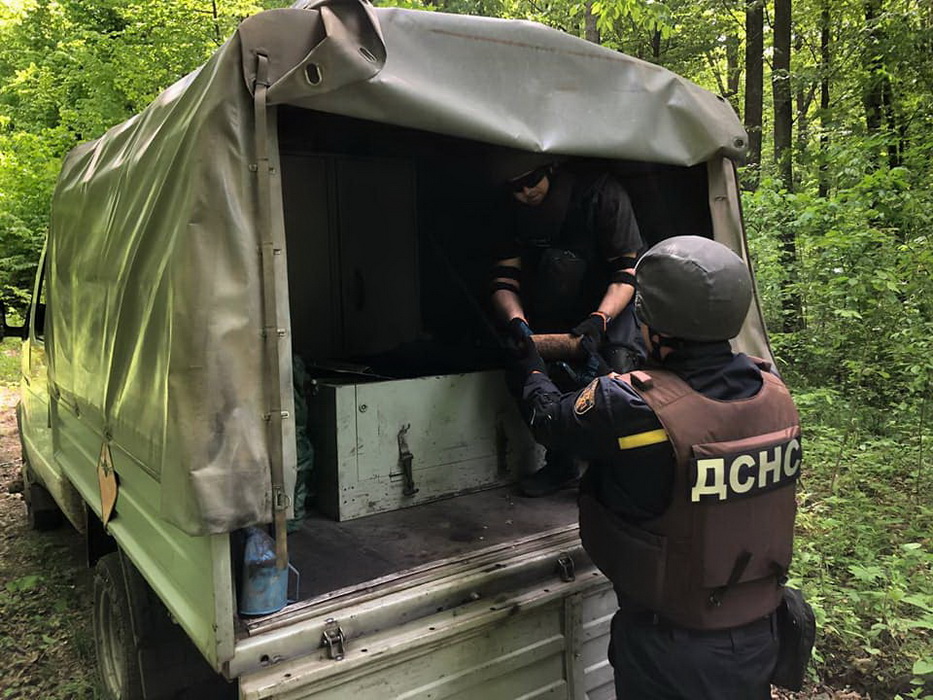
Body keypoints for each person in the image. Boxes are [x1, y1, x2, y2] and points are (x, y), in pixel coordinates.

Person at [511, 235, 801, 699]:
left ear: (657, 323)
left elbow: (549, 422)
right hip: (758, 637)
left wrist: (530, 366)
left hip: (670, 651)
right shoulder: (774, 392)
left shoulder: (629, 405)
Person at [490, 159, 646, 497]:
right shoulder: (508, 210)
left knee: (619, 375)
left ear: (549, 170)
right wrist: (517, 323)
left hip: (611, 302)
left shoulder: (602, 194)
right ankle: (561, 463)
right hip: (553, 302)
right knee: (527, 367)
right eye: (515, 187)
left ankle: (622, 469)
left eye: (532, 180)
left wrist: (599, 319)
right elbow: (504, 281)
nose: (526, 191)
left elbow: (627, 273)